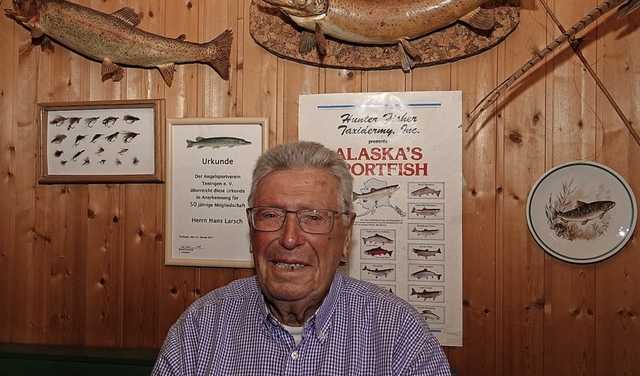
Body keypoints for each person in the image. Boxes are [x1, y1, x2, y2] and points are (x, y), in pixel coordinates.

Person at [152, 140, 451, 375]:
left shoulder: (398, 332)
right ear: (251, 232)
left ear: (346, 235)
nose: (290, 238)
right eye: (271, 215)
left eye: (314, 217)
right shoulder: (201, 326)